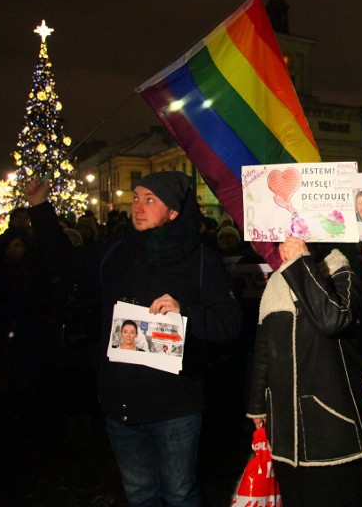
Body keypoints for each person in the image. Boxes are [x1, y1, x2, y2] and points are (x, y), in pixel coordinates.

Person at [25, 170, 241, 507]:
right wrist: (39, 207)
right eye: (136, 197)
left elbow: (229, 324)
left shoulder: (201, 259)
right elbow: (64, 263)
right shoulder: (117, 250)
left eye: (149, 200)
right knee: (140, 495)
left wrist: (186, 312)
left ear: (173, 212)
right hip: (120, 404)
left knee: (180, 494)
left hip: (175, 407)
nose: (137, 206)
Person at [246, 237, 362, 506]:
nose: (283, 244)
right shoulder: (276, 281)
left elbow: (333, 319)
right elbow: (264, 350)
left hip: (331, 428)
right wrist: (258, 405)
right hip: (284, 430)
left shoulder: (341, 268)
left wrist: (301, 262)